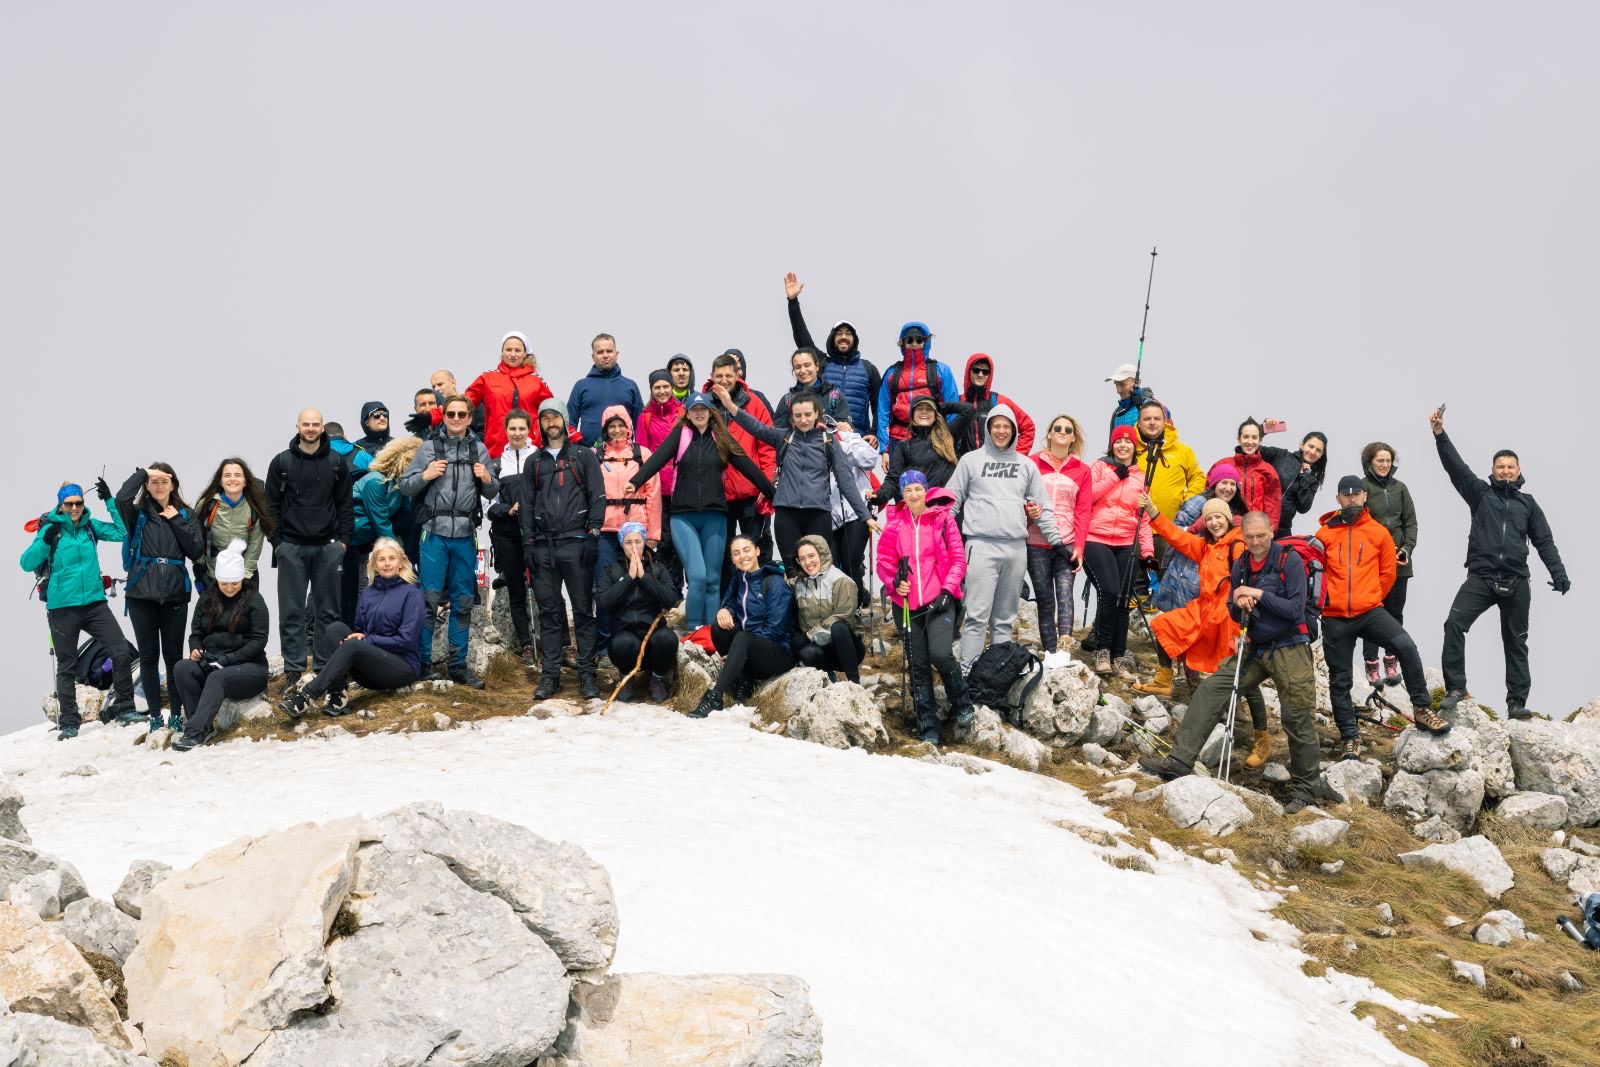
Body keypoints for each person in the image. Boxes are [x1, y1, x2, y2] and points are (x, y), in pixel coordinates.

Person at [1139, 512, 1344, 816]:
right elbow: (1233, 609)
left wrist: (1256, 594)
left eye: (1261, 535)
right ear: (1243, 536)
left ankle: (1305, 791)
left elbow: (1295, 609)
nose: (1256, 542)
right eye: (1250, 537)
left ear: (1271, 531)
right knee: (1211, 689)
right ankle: (1179, 761)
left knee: (1297, 716)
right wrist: (1239, 604)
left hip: (1291, 647)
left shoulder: (1289, 561)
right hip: (1255, 646)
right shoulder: (1242, 565)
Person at [1432, 406, 1569, 720]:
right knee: (1454, 625)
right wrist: (1440, 434)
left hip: (1517, 581)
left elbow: (1544, 541)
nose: (1505, 471)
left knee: (1516, 642)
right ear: (1492, 471)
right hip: (1481, 577)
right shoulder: (1480, 494)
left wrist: (1559, 573)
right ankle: (1456, 688)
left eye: (1510, 466)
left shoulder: (1528, 504)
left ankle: (1516, 703)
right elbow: (1456, 467)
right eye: (1500, 466)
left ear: (1519, 470)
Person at [1316, 475, 1450, 760]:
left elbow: (1388, 572)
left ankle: (1422, 709)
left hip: (1369, 611)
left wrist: (1372, 595)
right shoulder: (1324, 534)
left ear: (1364, 496)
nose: (1351, 498)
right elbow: (1316, 573)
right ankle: (1350, 738)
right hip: (1334, 616)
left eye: (1356, 493)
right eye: (1345, 494)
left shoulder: (1378, 532)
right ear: (1338, 498)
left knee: (1406, 647)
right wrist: (1325, 602)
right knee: (1340, 680)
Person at [628, 392, 773, 631]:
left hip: (714, 516)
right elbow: (657, 459)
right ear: (687, 413)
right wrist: (635, 481)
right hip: (683, 516)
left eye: (702, 409)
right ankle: (693, 630)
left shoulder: (721, 437)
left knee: (713, 580)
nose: (698, 413)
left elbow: (747, 465)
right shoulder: (681, 435)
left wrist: (772, 492)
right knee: (697, 576)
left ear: (710, 412)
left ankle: (712, 632)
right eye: (694, 409)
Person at [944, 404, 1070, 670]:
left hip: (1015, 549)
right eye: (996, 426)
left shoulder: (1026, 465)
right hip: (980, 546)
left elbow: (1043, 508)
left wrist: (1057, 542)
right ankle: (968, 673)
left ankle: (996, 674)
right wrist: (941, 535)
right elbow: (950, 501)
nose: (1001, 431)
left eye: (1006, 426)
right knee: (977, 616)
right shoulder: (970, 461)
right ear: (988, 429)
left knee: (1004, 618)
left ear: (1013, 431)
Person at [21, 481, 137, 738]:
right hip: (62, 608)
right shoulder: (51, 530)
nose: (74, 508)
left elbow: (122, 532)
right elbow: (26, 563)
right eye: (69, 503)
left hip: (95, 604)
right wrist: (44, 543)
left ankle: (125, 708)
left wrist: (109, 501)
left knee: (120, 651)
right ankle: (69, 722)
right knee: (67, 665)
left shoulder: (90, 526)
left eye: (78, 503)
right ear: (60, 505)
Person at [715, 386, 868, 576]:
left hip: (818, 514)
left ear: (817, 414)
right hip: (787, 515)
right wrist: (730, 406)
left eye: (808, 414)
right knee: (793, 573)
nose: (803, 420)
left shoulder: (828, 441)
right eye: (798, 415)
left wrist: (865, 516)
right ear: (791, 418)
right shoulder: (783, 437)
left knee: (818, 572)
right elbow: (756, 427)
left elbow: (846, 482)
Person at [400, 394, 497, 688]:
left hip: (465, 534)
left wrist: (487, 479)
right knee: (428, 600)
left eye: (461, 414)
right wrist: (426, 475)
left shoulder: (478, 449)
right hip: (434, 533)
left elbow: (493, 491)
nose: (456, 419)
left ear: (469, 418)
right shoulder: (429, 448)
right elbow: (405, 486)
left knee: (463, 600)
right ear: (443, 417)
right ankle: (422, 664)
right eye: (451, 414)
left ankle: (458, 666)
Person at [279, 537, 424, 719]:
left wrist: (368, 640)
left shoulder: (412, 594)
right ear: (375, 565)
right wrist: (362, 638)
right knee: (334, 629)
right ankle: (338, 696)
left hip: (401, 668)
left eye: (392, 558)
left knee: (353, 644)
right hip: (370, 670)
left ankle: (306, 697)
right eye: (381, 559)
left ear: (401, 563)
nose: (387, 564)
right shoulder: (369, 593)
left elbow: (407, 641)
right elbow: (360, 629)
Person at [876, 472, 973, 744]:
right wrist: (894, 583)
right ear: (902, 494)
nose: (913, 494)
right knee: (917, 665)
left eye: (918, 488)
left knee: (940, 654)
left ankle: (962, 704)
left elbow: (958, 560)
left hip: (939, 601)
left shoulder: (943, 520)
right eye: (908, 490)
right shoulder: (894, 524)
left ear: (926, 490)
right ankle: (928, 727)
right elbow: (883, 563)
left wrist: (948, 591)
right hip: (906, 605)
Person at [522, 398, 607, 700]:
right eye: (545, 418)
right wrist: (528, 543)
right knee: (549, 613)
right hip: (543, 547)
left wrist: (593, 535)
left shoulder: (583, 456)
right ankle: (550, 676)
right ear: (540, 424)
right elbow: (527, 505)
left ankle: (587, 675)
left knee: (583, 611)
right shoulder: (533, 462)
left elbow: (598, 496)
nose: (551, 423)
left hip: (577, 543)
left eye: (555, 417)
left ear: (565, 420)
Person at [266, 409, 354, 689]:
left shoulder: (336, 462)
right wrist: (278, 543)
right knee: (291, 612)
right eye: (306, 424)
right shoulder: (281, 462)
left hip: (328, 547)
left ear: (322, 427)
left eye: (316, 424)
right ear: (297, 427)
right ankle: (293, 670)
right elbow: (270, 507)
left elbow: (345, 505)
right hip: (291, 547)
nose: (311, 428)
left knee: (328, 612)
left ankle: (324, 667)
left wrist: (343, 542)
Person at [116, 463, 203, 729]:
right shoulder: (137, 513)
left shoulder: (186, 514)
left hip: (175, 594)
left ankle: (175, 715)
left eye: (165, 481)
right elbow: (121, 498)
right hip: (141, 594)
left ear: (173, 484)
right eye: (154, 481)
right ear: (147, 485)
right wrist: (144, 473)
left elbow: (196, 550)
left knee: (174, 657)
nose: (159, 486)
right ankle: (155, 716)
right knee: (148, 657)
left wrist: (175, 519)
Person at [170, 540, 269, 752]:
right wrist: (195, 648)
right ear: (217, 579)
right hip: (214, 663)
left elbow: (259, 640)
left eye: (235, 583)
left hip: (250, 668)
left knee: (218, 677)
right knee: (182, 668)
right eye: (224, 583)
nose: (230, 588)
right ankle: (203, 725)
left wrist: (229, 660)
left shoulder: (254, 600)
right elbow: (196, 633)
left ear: (242, 578)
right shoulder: (207, 598)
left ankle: (194, 733)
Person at [1082, 426, 1155, 678]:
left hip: (1126, 542)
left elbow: (1144, 520)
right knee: (1110, 591)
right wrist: (1115, 476)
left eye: (1128, 441)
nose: (1123, 445)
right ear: (1112, 445)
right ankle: (1102, 651)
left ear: (1135, 447)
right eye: (1118, 441)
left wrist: (1148, 554)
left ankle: (1119, 656)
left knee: (1124, 598)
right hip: (1096, 538)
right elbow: (1087, 496)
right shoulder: (1099, 467)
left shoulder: (1142, 478)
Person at [692, 536, 793, 717]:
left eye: (747, 550)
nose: (742, 556)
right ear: (732, 559)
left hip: (777, 654)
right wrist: (725, 609)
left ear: (757, 551)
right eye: (736, 553)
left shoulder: (774, 582)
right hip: (749, 647)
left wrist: (742, 653)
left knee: (743, 638)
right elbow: (730, 601)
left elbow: (776, 629)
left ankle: (715, 697)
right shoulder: (739, 579)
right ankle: (744, 680)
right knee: (718, 627)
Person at [593, 405, 661, 651]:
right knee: (605, 586)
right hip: (605, 530)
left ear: (629, 426)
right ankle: (604, 645)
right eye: (611, 426)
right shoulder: (595, 455)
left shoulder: (642, 454)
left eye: (620, 425)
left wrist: (653, 533)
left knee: (639, 583)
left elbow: (653, 494)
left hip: (636, 530)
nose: (617, 430)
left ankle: (639, 640)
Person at [785, 272, 882, 441]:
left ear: (854, 339)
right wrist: (793, 302)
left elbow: (878, 406)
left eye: (848, 333)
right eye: (839, 333)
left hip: (858, 439)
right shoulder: (822, 363)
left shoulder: (869, 369)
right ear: (832, 338)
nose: (843, 337)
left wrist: (874, 434)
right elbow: (802, 338)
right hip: (825, 439)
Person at [705, 353, 777, 577]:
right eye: (719, 376)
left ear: (738, 375)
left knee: (752, 550)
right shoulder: (703, 404)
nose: (724, 380)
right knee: (723, 553)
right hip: (717, 493)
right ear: (711, 376)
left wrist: (766, 484)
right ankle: (728, 596)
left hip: (750, 492)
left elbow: (767, 447)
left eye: (729, 375)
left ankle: (755, 593)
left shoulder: (753, 402)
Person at [1027, 414, 1092, 654]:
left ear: (1073, 437)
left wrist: (1080, 547)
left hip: (1067, 543)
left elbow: (1083, 512)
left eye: (1068, 429)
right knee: (1045, 600)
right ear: (1050, 434)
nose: (1062, 432)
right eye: (1058, 428)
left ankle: (1064, 649)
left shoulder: (1083, 470)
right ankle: (1050, 654)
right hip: (1035, 542)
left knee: (1065, 594)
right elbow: (1021, 496)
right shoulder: (1032, 463)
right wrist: (1027, 509)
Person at [596, 522, 680, 703]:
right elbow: (604, 602)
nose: (633, 547)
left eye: (638, 541)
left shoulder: (657, 568)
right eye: (628, 542)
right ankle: (627, 678)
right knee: (623, 643)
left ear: (644, 543)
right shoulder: (611, 570)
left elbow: (671, 599)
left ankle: (657, 679)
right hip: (625, 642)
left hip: (653, 638)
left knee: (667, 638)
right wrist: (629, 578)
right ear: (621, 545)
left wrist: (644, 577)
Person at [1360, 441, 1418, 687]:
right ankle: (1371, 663)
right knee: (1372, 611)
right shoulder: (1362, 487)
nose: (1385, 464)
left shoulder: (1400, 488)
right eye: (1380, 460)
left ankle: (1391, 660)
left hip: (1400, 562)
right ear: (1370, 462)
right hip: (1372, 563)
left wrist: (1406, 548)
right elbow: (1360, 524)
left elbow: (1410, 523)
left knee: (1395, 612)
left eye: (1388, 460)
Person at [347, 437, 421, 626]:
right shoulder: (375, 481)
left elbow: (405, 513)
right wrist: (398, 555)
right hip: (356, 536)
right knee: (357, 587)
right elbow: (380, 521)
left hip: (373, 533)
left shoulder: (399, 484)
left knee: (414, 518)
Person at [486, 410, 538, 665]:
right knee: (516, 591)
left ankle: (561, 644)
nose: (517, 433)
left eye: (522, 428)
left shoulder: (538, 458)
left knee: (547, 589)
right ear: (506, 430)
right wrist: (508, 509)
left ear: (529, 430)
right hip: (507, 535)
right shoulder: (496, 464)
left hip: (537, 534)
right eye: (512, 428)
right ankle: (526, 644)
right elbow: (488, 505)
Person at [465, 331, 554, 459]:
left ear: (525, 353)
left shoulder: (536, 380)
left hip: (530, 450)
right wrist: (437, 415)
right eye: (508, 350)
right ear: (502, 352)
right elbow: (462, 404)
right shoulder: (487, 378)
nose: (512, 354)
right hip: (496, 449)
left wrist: (572, 434)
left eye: (517, 350)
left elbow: (553, 411)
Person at [876, 322, 960, 456]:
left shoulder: (941, 370)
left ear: (926, 342)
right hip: (898, 441)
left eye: (919, 340)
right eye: (909, 340)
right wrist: (884, 450)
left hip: (933, 440)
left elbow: (952, 409)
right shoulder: (892, 373)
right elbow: (883, 411)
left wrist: (951, 445)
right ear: (903, 343)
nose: (914, 343)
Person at [790, 535, 865, 684]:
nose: (807, 562)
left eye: (811, 556)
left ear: (822, 554)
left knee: (838, 627)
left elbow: (843, 617)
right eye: (802, 559)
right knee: (807, 653)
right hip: (822, 649)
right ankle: (826, 677)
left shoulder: (841, 580)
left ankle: (854, 684)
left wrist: (808, 637)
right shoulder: (799, 584)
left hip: (848, 648)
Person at [636, 369, 685, 588]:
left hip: (681, 486)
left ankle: (685, 590)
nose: (662, 391)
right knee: (663, 541)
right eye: (657, 387)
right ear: (651, 390)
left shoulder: (683, 413)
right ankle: (669, 591)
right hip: (658, 488)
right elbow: (643, 456)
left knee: (681, 539)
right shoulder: (645, 417)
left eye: (666, 386)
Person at [192, 458, 272, 588]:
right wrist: (200, 568)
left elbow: (255, 547)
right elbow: (196, 537)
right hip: (212, 574)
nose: (233, 479)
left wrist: (244, 577)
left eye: (238, 475)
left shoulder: (255, 507)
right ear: (220, 481)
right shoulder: (208, 505)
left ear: (245, 481)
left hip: (244, 574)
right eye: (227, 475)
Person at [873, 395, 959, 507]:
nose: (924, 412)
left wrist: (938, 406)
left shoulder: (949, 436)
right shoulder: (904, 447)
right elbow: (893, 480)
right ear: (912, 415)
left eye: (929, 409)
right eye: (919, 409)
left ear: (935, 415)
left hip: (949, 509)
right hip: (922, 510)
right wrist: (878, 496)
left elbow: (968, 410)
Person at [1132, 399, 1205, 527]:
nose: (1152, 423)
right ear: (1139, 422)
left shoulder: (1183, 451)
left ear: (1164, 422)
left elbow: (1197, 478)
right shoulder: (1130, 449)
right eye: (1147, 419)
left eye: (1157, 419)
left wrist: (1187, 501)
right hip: (1136, 527)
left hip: (1172, 526)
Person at [949, 353, 1035, 456]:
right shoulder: (957, 401)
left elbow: (1028, 427)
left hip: (992, 464)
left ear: (989, 375)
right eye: (976, 370)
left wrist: (1013, 457)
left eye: (985, 372)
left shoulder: (999, 401)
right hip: (962, 463)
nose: (980, 374)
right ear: (968, 371)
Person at [568, 333, 643, 445]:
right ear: (593, 356)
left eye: (609, 351)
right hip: (588, 451)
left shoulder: (630, 386)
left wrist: (639, 451)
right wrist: (576, 448)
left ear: (616, 354)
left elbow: (640, 427)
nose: (605, 355)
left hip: (624, 453)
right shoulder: (580, 386)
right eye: (600, 352)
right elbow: (569, 423)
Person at [1261, 430, 1327, 539]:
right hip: (1259, 521)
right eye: (1311, 446)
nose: (1313, 452)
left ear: (1321, 455)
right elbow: (1254, 450)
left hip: (1282, 530)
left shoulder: (1312, 480)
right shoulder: (1281, 455)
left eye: (1318, 450)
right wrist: (1262, 431)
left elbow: (1303, 508)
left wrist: (1305, 476)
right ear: (1302, 445)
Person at [1221, 418, 1283, 533]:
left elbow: (1272, 506)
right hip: (1224, 529)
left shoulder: (1268, 471)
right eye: (1246, 437)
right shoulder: (1223, 465)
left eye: (1254, 437)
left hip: (1254, 531)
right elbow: (1209, 495)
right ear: (1239, 439)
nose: (1250, 442)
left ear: (1260, 440)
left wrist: (1270, 531)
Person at [772, 347, 851, 429]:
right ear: (794, 370)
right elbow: (777, 432)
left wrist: (846, 427)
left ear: (817, 366)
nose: (802, 370)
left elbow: (847, 428)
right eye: (798, 367)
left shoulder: (835, 397)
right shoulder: (787, 400)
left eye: (807, 365)